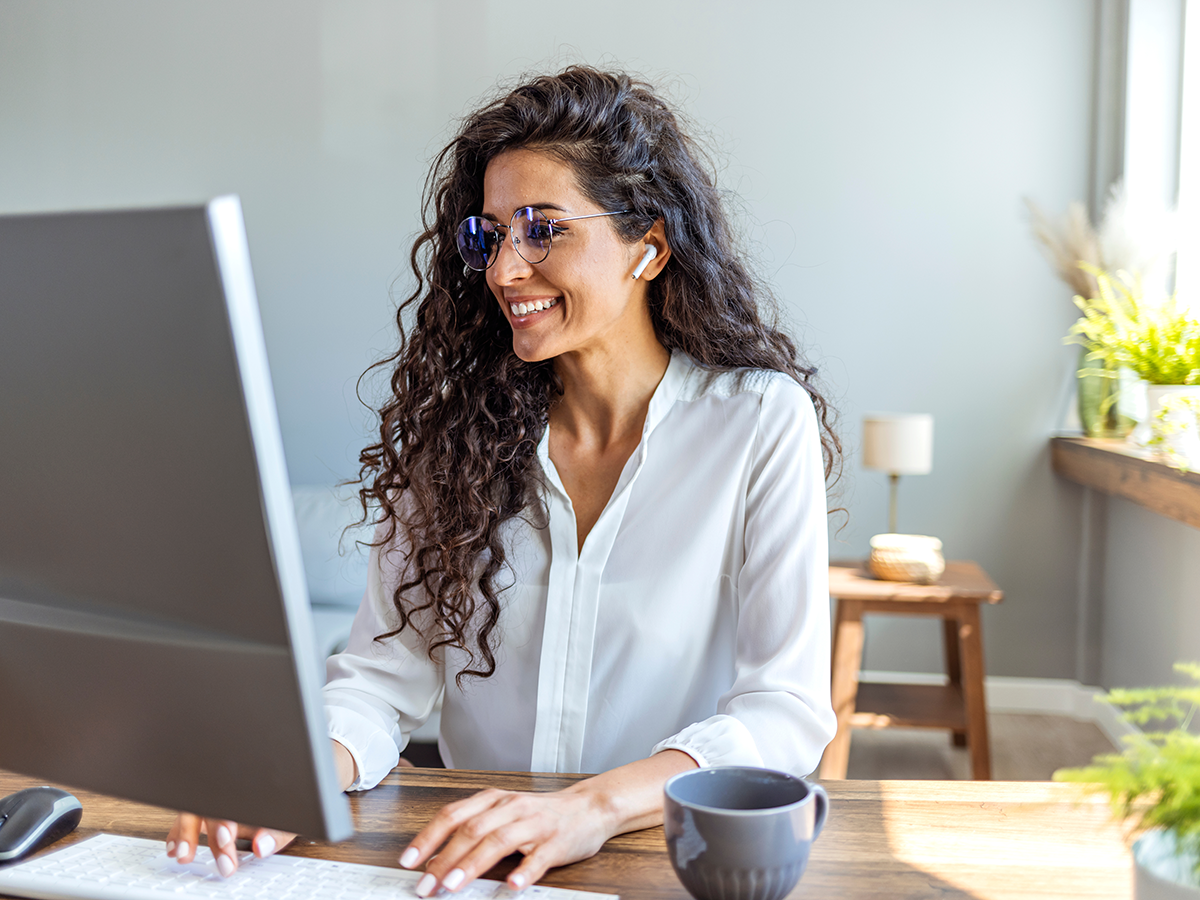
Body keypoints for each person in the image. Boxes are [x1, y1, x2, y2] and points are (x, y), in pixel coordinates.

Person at [167, 65, 840, 893]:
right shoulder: (460, 439)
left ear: (650, 246)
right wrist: (292, 777)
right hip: (472, 866)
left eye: (543, 230)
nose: (505, 271)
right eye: (490, 236)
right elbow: (379, 681)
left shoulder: (757, 422)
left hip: (660, 860)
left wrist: (588, 808)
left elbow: (784, 708)